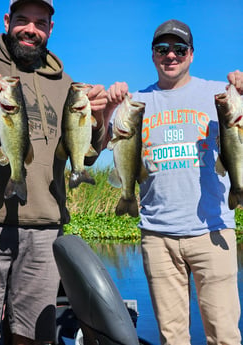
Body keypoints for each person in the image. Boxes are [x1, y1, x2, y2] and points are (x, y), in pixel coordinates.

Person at [105, 19, 243, 345]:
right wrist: (107, 107)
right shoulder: (135, 103)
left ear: (192, 55)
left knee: (224, 336)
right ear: (152, 55)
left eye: (179, 49)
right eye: (162, 49)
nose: (171, 55)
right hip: (157, 236)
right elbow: (93, 146)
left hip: (212, 231)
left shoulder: (221, 96)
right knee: (172, 338)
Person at [0, 1, 108, 344]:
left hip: (44, 226)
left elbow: (84, 152)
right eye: (22, 20)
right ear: (8, 21)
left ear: (50, 29)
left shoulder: (66, 84)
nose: (31, 29)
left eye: (40, 23)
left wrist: (102, 116)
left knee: (34, 335)